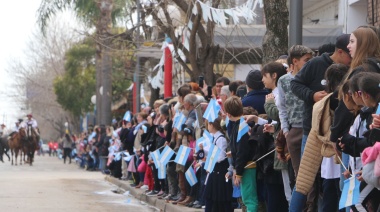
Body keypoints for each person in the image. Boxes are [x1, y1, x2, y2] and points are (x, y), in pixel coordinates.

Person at [289, 34, 352, 211]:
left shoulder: (353, 68)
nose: (351, 59)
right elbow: (296, 84)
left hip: (341, 132)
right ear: (340, 52)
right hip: (314, 131)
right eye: (349, 54)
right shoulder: (316, 64)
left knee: (342, 179)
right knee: (304, 178)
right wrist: (312, 95)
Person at [224, 96, 258, 211]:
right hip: (245, 165)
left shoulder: (240, 127)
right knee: (247, 198)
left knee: (249, 199)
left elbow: (242, 152)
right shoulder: (239, 125)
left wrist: (238, 172)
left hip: (247, 166)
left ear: (228, 114)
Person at [203, 117, 232, 212]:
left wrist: (210, 159)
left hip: (220, 171)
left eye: (208, 124)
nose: (208, 127)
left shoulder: (221, 139)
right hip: (213, 170)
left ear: (212, 125)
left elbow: (221, 157)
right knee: (210, 196)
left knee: (221, 197)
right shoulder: (213, 138)